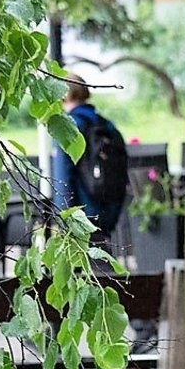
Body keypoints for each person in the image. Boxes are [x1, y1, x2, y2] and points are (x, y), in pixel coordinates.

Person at [53, 77, 126, 247]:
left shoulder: (67, 127)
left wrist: (63, 218)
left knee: (80, 268)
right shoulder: (107, 126)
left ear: (63, 95)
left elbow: (62, 178)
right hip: (108, 213)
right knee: (101, 265)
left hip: (80, 214)